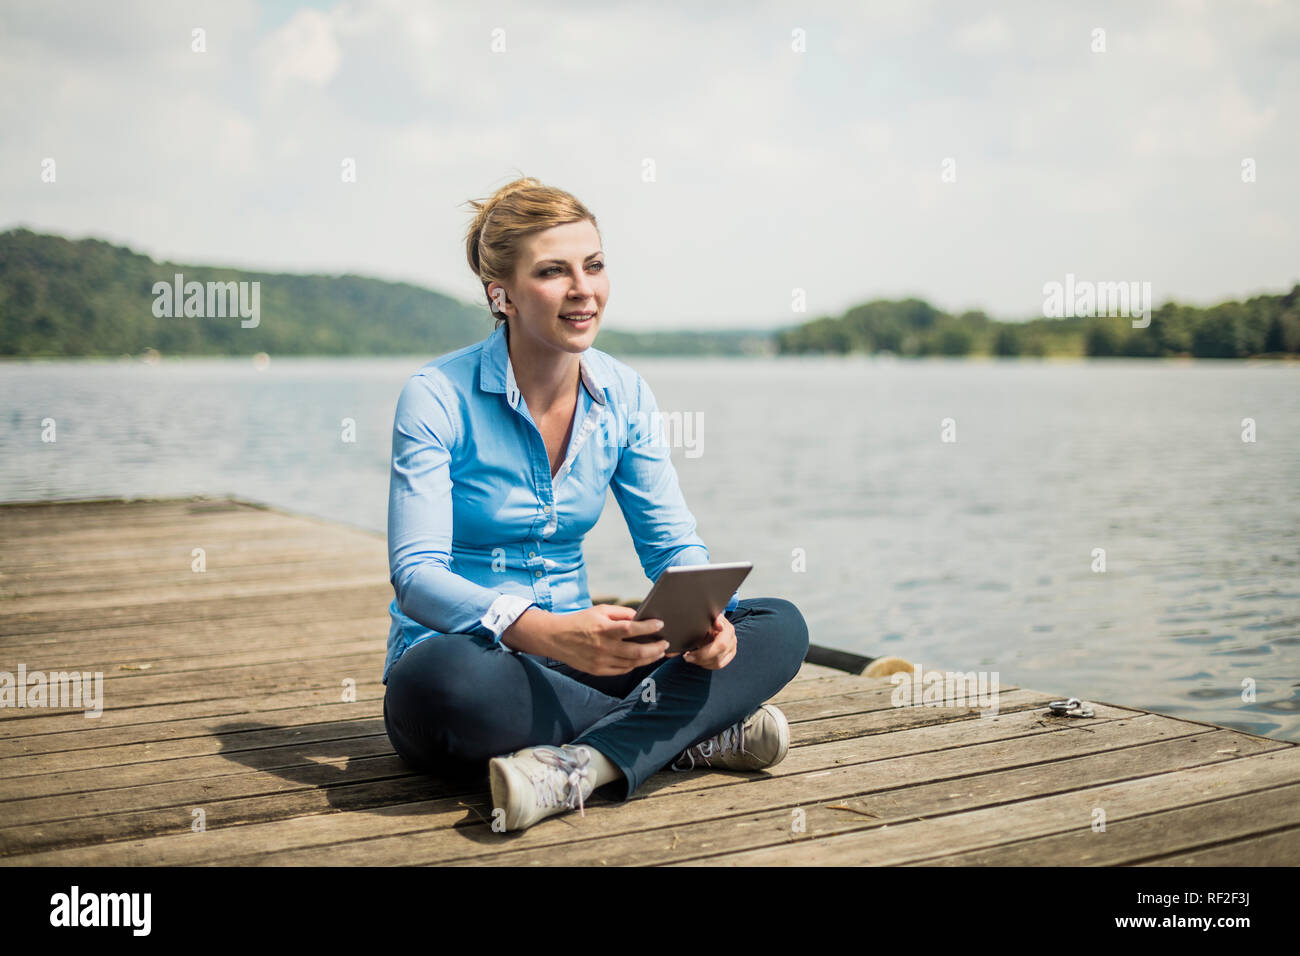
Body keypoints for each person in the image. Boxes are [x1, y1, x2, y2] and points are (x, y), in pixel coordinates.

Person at [381, 176, 810, 832]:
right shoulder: (436, 396)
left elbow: (672, 545)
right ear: (503, 295)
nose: (584, 289)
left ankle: (586, 765)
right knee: (438, 687)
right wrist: (546, 630)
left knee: (777, 624)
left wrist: (707, 620)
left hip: (587, 657)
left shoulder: (625, 394)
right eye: (554, 272)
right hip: (477, 663)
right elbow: (416, 577)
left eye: (595, 265)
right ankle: (691, 732)